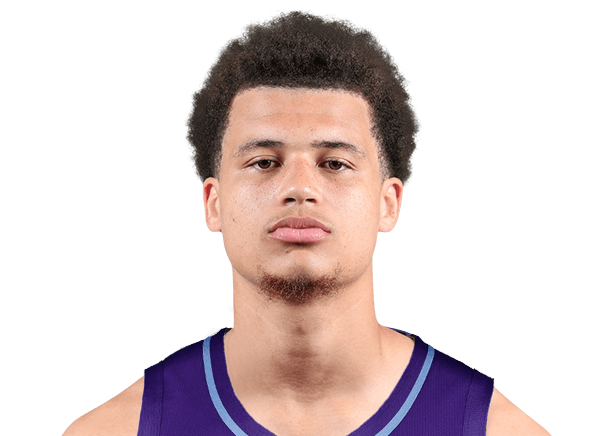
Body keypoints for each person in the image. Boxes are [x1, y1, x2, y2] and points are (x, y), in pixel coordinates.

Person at [63, 11, 550, 436]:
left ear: (389, 203)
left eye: (335, 163)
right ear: (213, 203)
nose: (299, 188)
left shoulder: (493, 429)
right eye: (264, 162)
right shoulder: (116, 430)